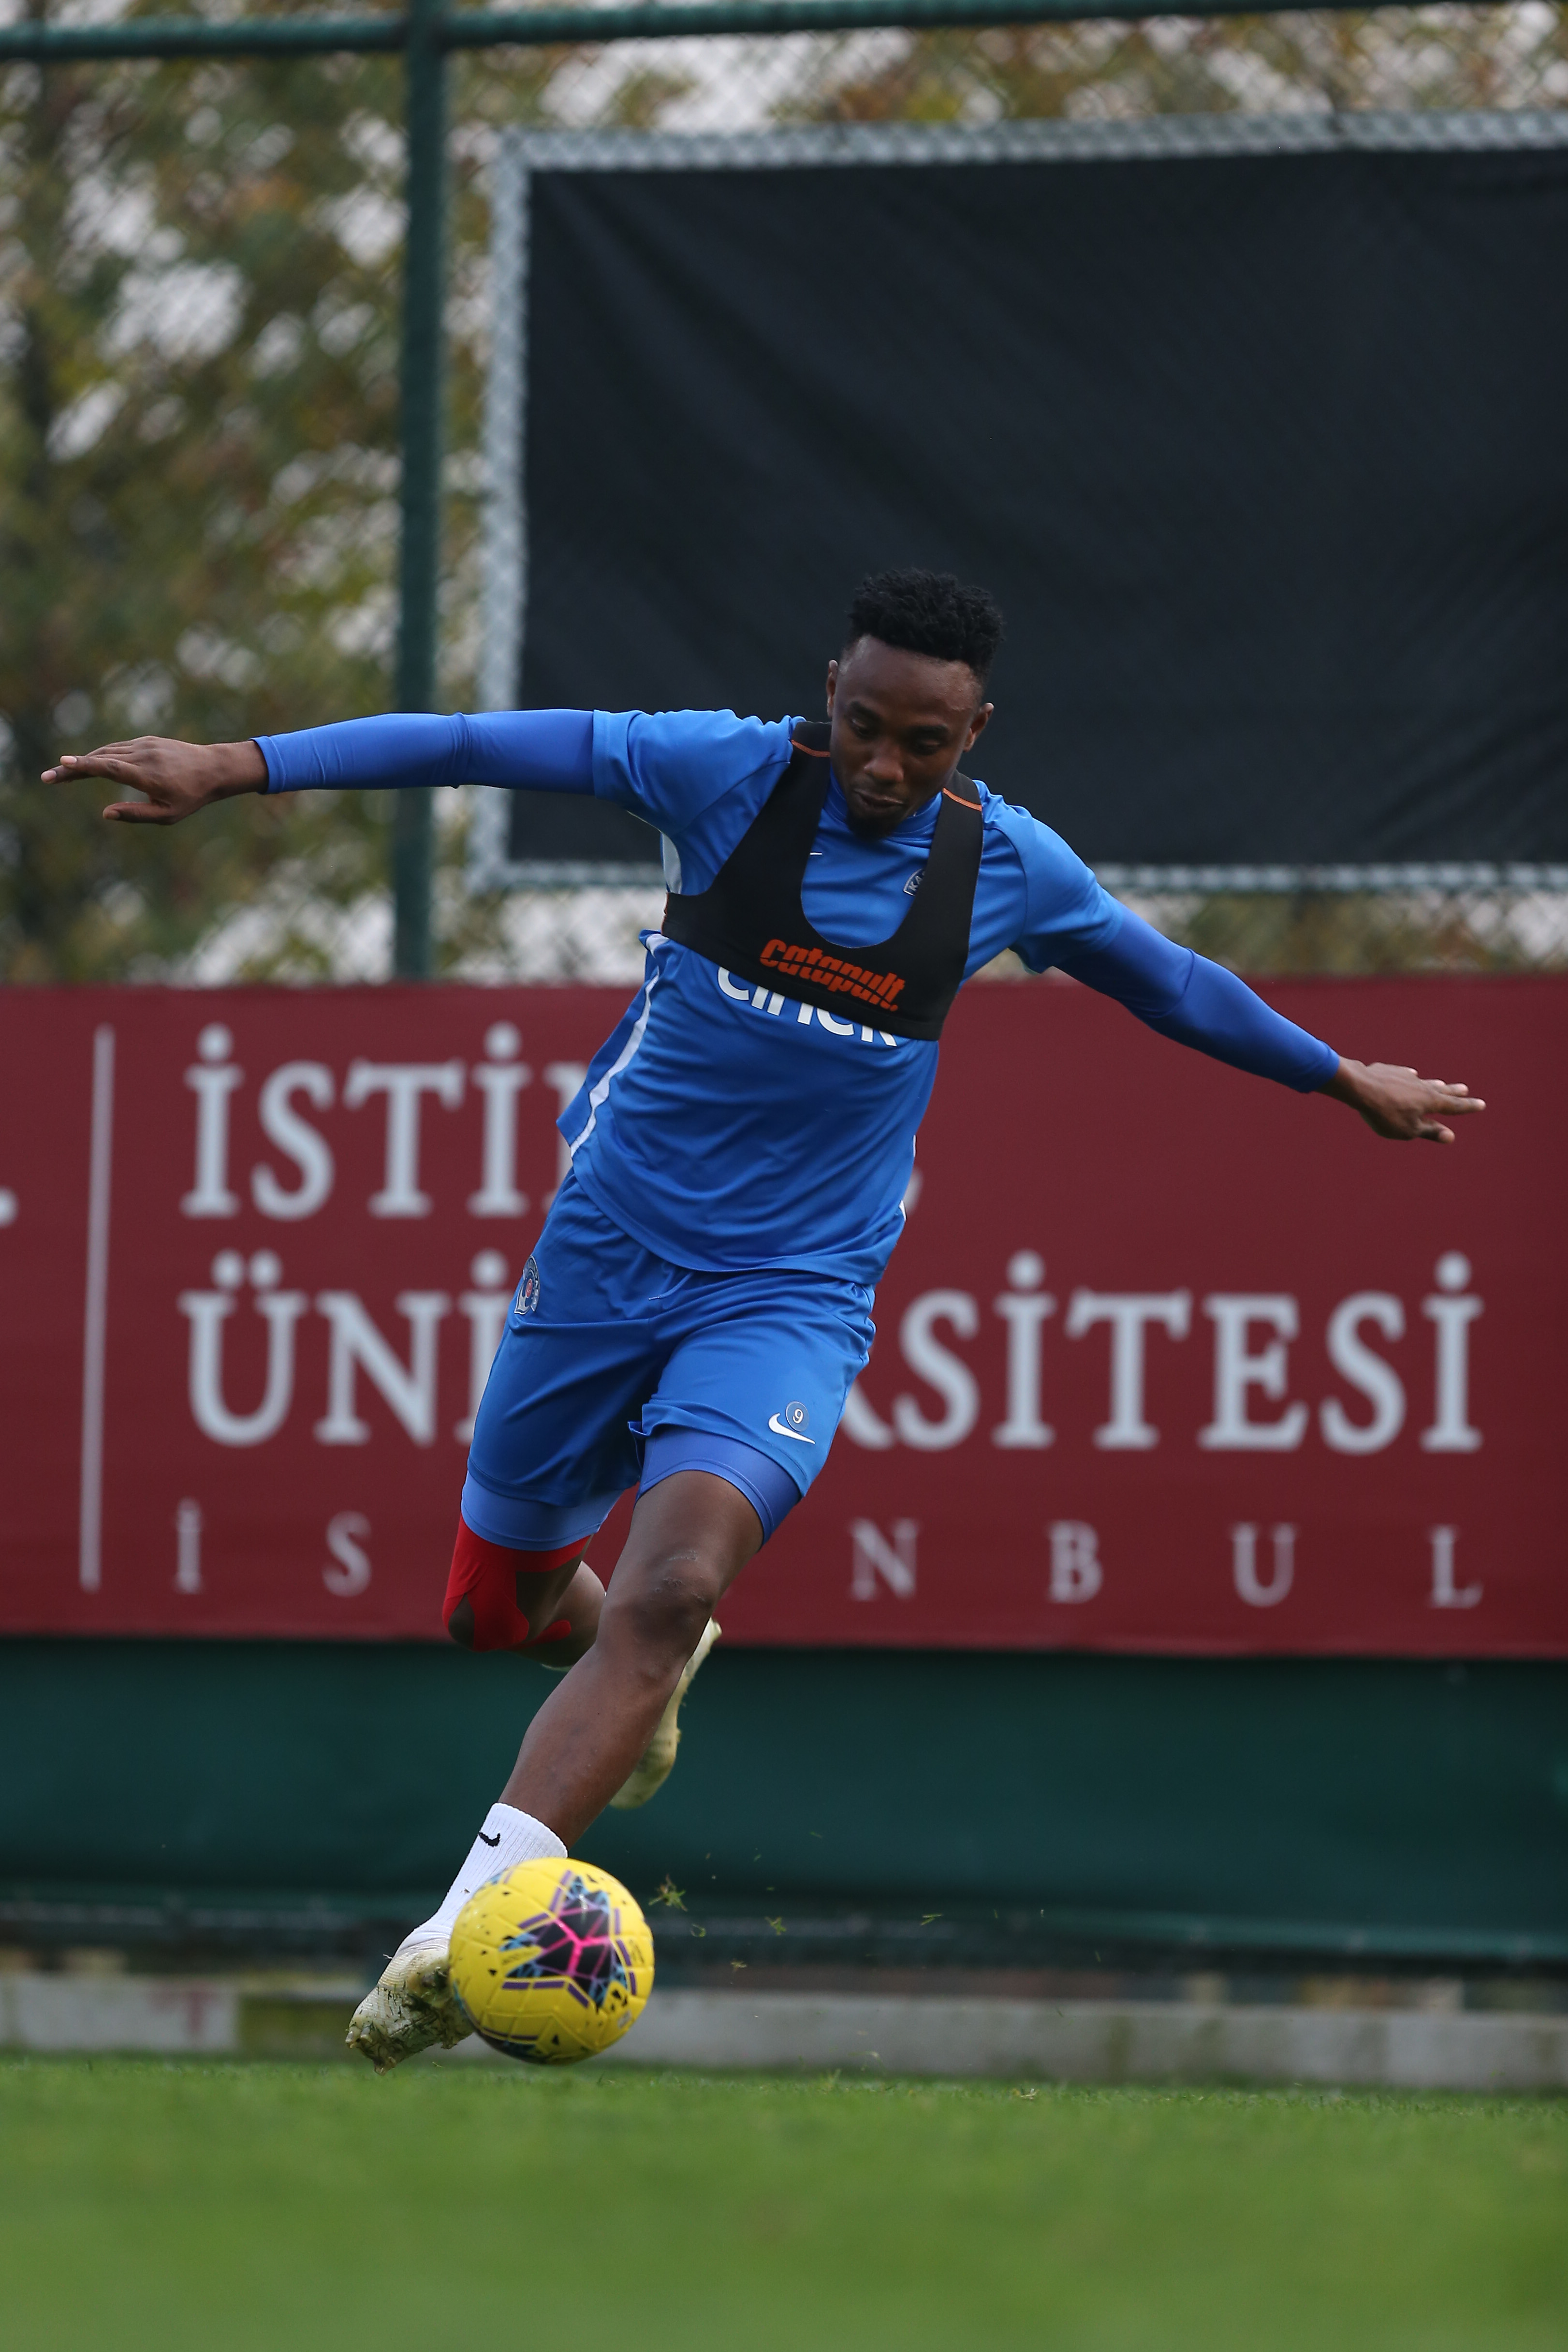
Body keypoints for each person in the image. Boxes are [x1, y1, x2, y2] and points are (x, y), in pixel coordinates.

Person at [45, 568, 1484, 2069]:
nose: (883, 766)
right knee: (495, 1611)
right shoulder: (715, 772)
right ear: (829, 692)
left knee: (669, 1585)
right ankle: (644, 1673)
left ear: (975, 733)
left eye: (922, 744)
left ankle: (456, 1936)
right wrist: (237, 764)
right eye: (863, 726)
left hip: (790, 1297)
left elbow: (1166, 980)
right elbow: (473, 742)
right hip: (604, 1259)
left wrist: (1339, 1078)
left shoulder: (1006, 868)